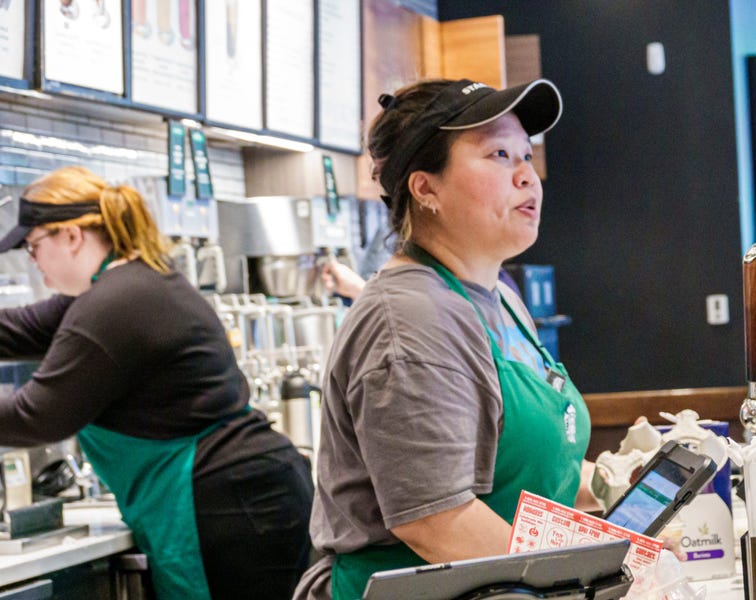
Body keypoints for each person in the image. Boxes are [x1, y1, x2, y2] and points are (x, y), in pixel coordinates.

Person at [295, 78, 600, 600]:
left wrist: (619, 479)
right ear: (425, 188)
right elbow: (439, 522)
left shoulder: (498, 295)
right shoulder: (411, 319)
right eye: (500, 154)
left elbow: (521, 468)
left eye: (527, 154)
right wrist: (579, 585)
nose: (527, 175)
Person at [0, 166, 314, 600]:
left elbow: (35, 417)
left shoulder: (113, 304)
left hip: (229, 507)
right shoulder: (127, 286)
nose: (32, 261)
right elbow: (13, 329)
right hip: (249, 494)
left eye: (33, 246)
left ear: (71, 236)